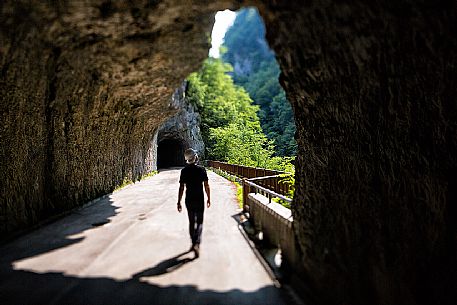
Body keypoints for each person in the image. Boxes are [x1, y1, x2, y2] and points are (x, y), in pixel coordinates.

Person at [177, 148, 211, 258]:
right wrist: (209, 198)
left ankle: (193, 243)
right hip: (199, 198)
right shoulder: (201, 170)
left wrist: (179, 202)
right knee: (200, 222)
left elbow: (181, 187)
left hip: (189, 199)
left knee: (192, 221)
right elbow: (206, 185)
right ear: (195, 157)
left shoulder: (184, 171)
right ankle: (197, 243)